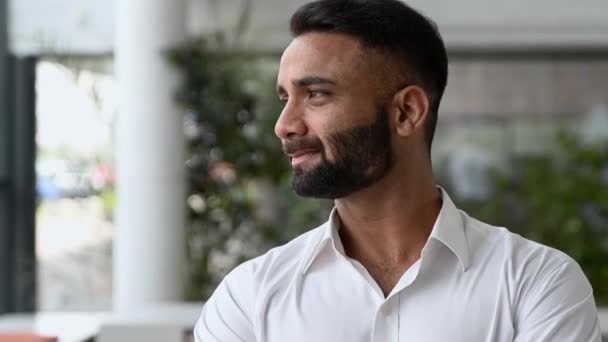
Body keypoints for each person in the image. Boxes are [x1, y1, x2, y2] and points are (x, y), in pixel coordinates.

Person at [194, 0, 602, 341]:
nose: (284, 125)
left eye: (316, 94)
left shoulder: (537, 284)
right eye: (286, 97)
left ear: (406, 112)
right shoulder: (249, 296)